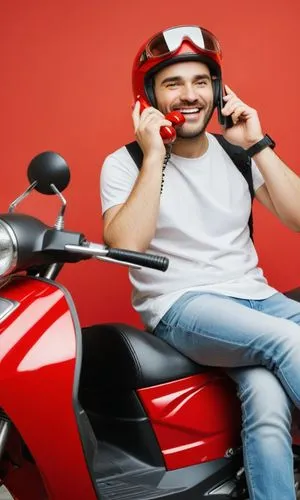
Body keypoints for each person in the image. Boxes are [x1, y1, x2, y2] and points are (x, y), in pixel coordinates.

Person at [100, 25, 300, 500]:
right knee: (289, 342)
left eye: (201, 81)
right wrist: (154, 156)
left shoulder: (235, 155)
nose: (190, 95)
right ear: (148, 95)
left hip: (255, 299)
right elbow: (127, 242)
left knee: (268, 398)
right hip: (183, 306)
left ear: (218, 91)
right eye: (173, 84)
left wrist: (256, 143)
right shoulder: (125, 162)